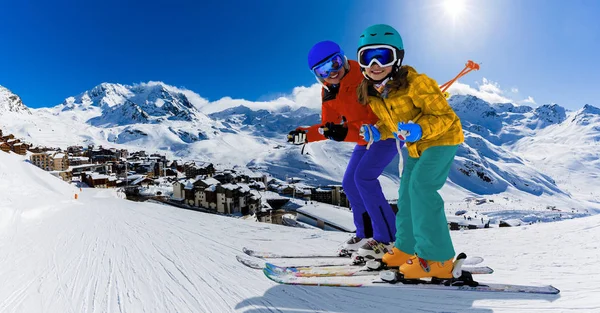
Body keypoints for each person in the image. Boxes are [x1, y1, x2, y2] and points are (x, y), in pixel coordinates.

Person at [355, 24, 465, 278]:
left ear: (397, 59)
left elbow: (445, 117)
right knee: (405, 194)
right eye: (367, 56)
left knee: (422, 189)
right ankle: (406, 249)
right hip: (417, 146)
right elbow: (392, 122)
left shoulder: (418, 84)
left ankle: (438, 260)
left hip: (442, 139)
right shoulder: (375, 93)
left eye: (383, 56)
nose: (375, 63)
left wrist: (418, 129)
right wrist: (378, 131)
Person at [287, 40, 400, 259]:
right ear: (316, 74)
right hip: (363, 138)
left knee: (364, 178)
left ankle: (389, 240)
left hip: (385, 131)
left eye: (335, 63)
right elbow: (329, 127)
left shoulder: (364, 74)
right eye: (323, 70)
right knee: (350, 182)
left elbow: (388, 101)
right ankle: (367, 234)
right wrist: (305, 134)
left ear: (344, 58)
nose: (332, 73)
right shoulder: (328, 92)